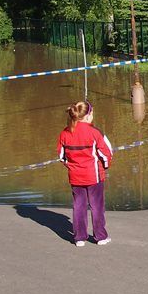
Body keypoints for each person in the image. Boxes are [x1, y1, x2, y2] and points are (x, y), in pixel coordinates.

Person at [58, 101, 113, 247]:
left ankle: (79, 238)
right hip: (94, 176)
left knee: (79, 206)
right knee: (97, 206)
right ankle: (100, 236)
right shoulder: (95, 132)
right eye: (92, 113)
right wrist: (105, 167)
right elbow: (106, 153)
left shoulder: (65, 133)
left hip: (75, 176)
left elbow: (62, 156)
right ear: (88, 116)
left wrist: (71, 166)